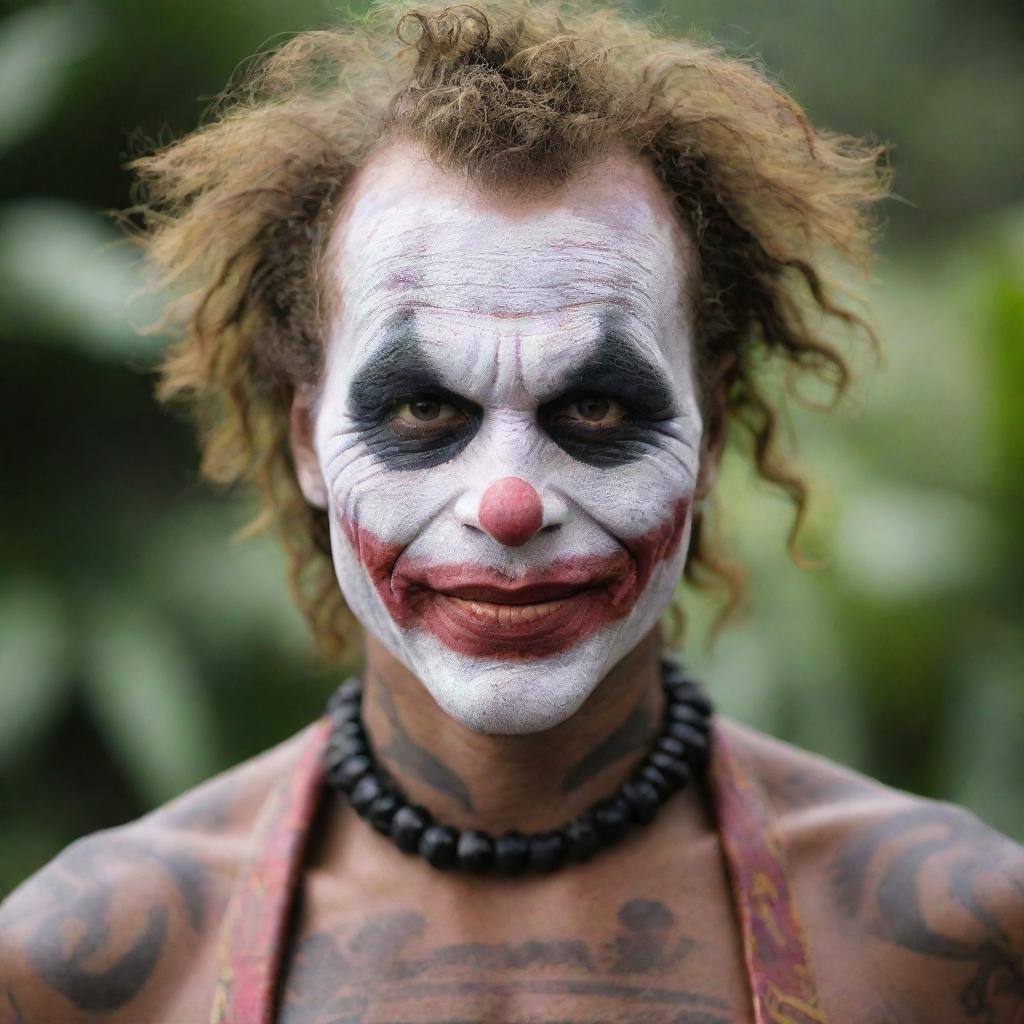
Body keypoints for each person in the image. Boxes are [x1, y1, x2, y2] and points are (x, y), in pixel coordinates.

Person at [2, 2, 1022, 1022]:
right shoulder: (85, 966)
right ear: (309, 439)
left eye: (594, 405)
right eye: (422, 407)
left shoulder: (952, 938)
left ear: (707, 437)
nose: (509, 503)